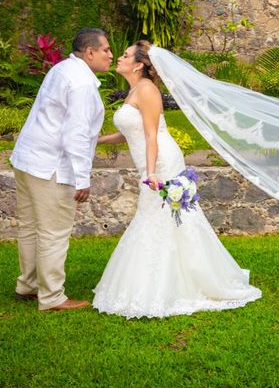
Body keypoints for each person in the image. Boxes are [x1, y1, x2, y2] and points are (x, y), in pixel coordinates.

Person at [92, 40, 262, 318]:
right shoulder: (134, 90)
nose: (117, 58)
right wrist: (95, 141)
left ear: (138, 64)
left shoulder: (147, 90)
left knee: (163, 217)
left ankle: (181, 282)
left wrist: (150, 172)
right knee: (162, 218)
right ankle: (175, 277)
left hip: (161, 161)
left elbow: (150, 134)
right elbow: (128, 134)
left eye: (124, 55)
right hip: (152, 159)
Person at [10, 28, 112, 311]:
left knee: (30, 228)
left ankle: (28, 285)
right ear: (89, 52)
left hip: (27, 161)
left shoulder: (62, 69)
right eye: (106, 49)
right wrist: (82, 178)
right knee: (53, 234)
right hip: (50, 167)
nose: (111, 55)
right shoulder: (81, 83)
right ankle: (52, 297)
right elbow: (75, 135)